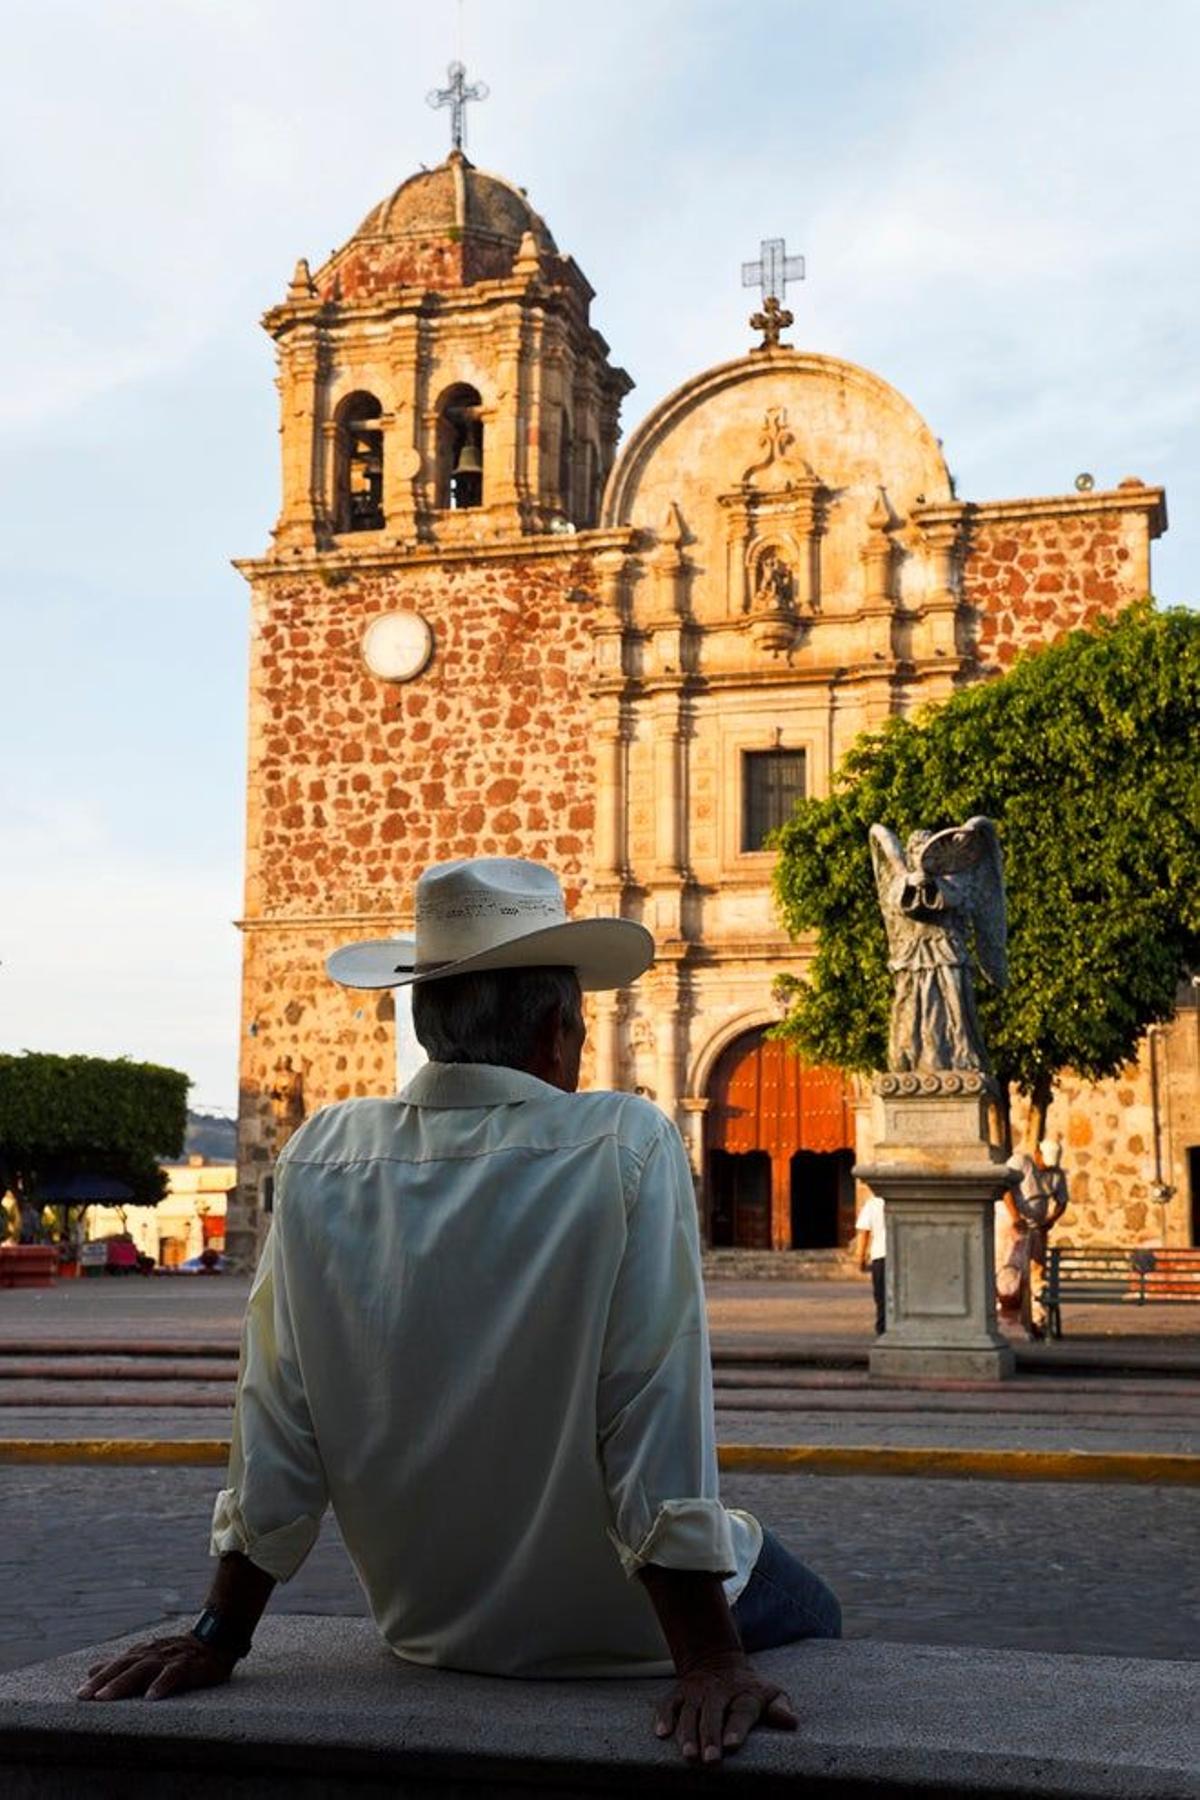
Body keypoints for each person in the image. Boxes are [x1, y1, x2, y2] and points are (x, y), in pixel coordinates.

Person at [79, 858, 841, 1764]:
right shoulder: (624, 1142)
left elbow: (277, 1416)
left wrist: (219, 1632)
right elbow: (649, 1410)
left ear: (425, 1018)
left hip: (426, 1626)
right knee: (814, 1607)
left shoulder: (321, 1156)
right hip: (623, 1631)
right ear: (559, 1028)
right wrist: (711, 1657)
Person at [1007, 1138, 1070, 1340]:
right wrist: (1015, 1217)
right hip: (1014, 1224)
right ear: (1037, 1153)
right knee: (1012, 1272)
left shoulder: (1056, 1173)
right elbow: (1006, 1189)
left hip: (1037, 1228)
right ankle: (1010, 1319)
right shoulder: (1021, 1162)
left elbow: (1061, 1201)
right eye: (1044, 1163)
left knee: (1037, 1276)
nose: (1046, 1168)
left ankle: (1037, 1321)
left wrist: (1050, 1221)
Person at [854, 1190, 887, 1336]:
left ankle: (883, 1330)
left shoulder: (873, 1202)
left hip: (881, 1255)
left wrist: (860, 1257)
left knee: (881, 1297)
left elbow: (863, 1231)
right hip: (899, 1255)